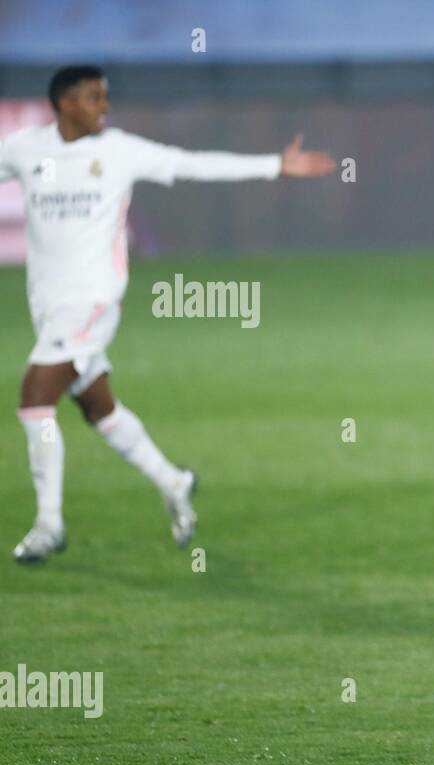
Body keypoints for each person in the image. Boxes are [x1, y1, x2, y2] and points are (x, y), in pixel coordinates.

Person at [0, 65, 335, 562]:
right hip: (50, 307)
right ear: (65, 104)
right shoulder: (26, 149)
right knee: (98, 407)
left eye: (106, 97)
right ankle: (172, 480)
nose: (104, 107)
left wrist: (273, 165)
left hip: (93, 301)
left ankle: (49, 524)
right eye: (94, 98)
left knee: (35, 396)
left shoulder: (120, 152)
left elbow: (190, 164)